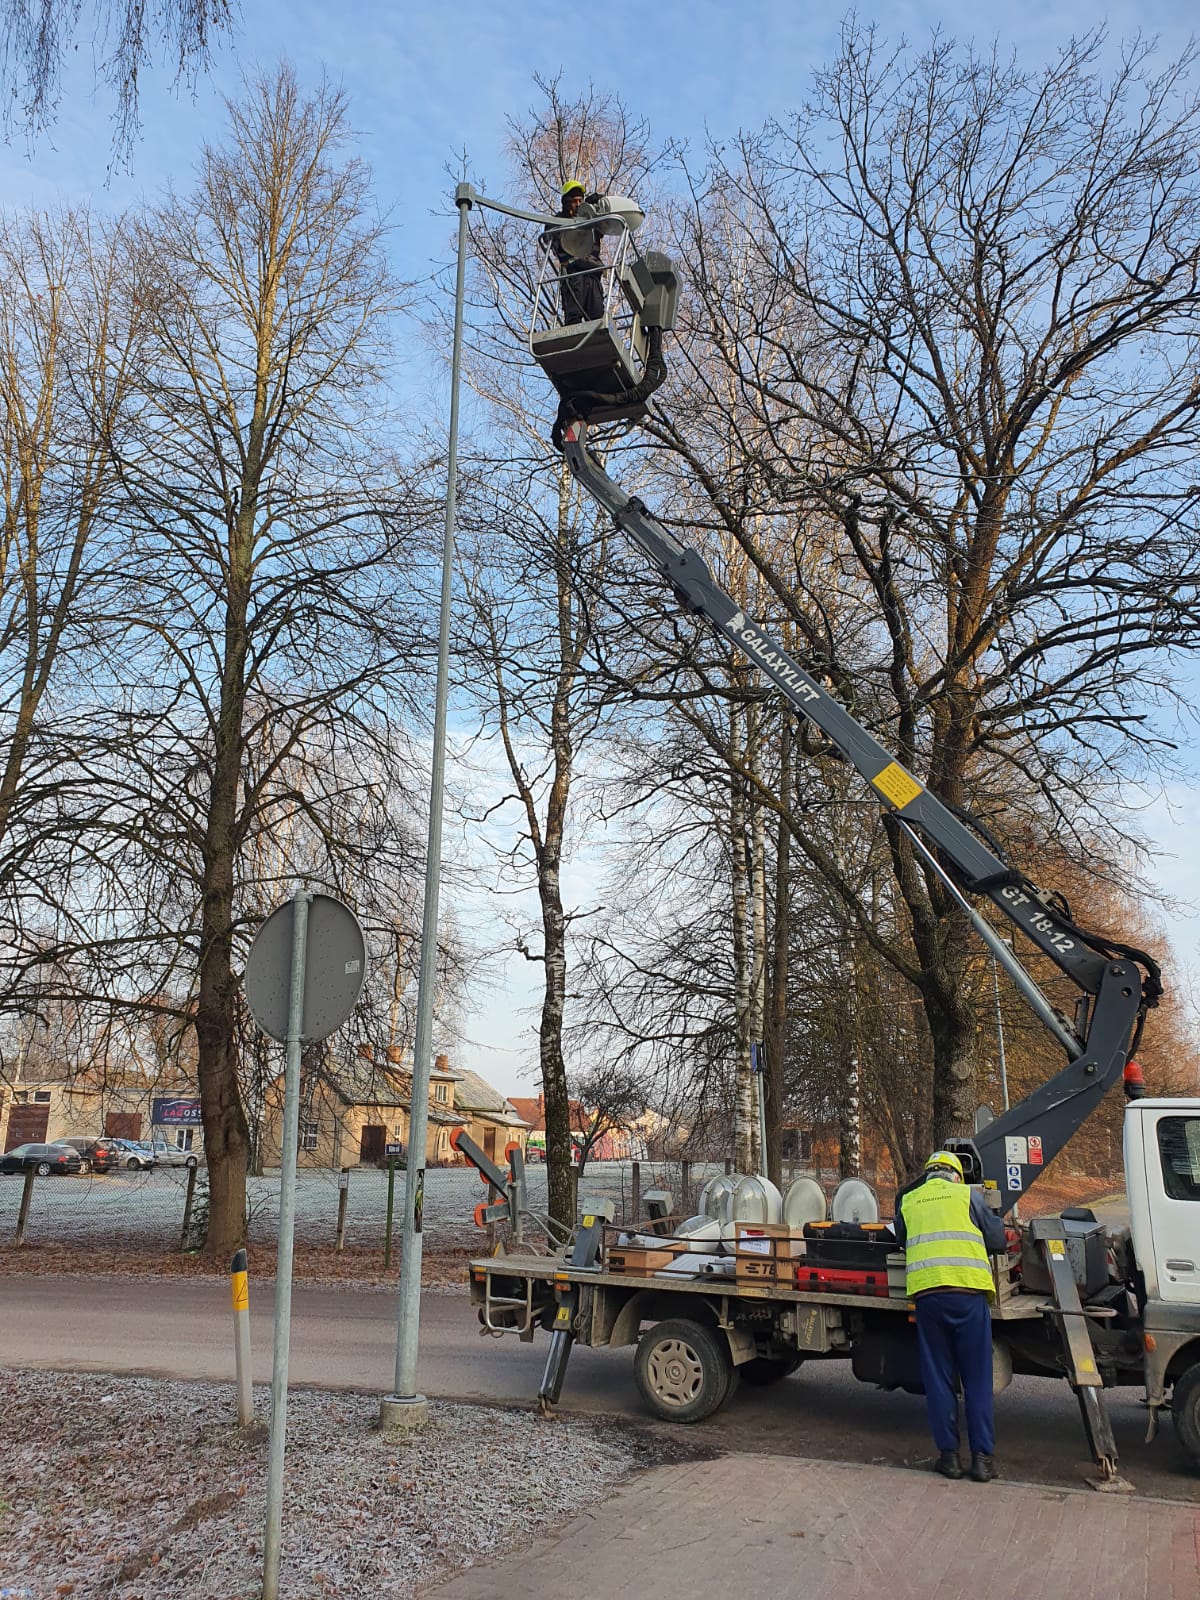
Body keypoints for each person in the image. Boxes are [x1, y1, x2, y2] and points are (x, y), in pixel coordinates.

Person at [893, 1149, 1008, 1483]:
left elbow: (902, 1240)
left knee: (939, 1379)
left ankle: (950, 1459)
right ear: (957, 1176)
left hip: (929, 1297)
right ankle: (983, 1461)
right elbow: (997, 1238)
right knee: (976, 1379)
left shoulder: (910, 1201)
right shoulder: (967, 1197)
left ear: (929, 1174)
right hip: (969, 1296)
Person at [542, 178, 612, 325]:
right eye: (575, 201)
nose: (578, 204)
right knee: (574, 316)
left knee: (597, 318)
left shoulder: (589, 220)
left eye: (581, 201)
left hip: (593, 274)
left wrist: (596, 203)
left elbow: (605, 224)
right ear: (567, 203)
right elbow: (548, 236)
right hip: (573, 274)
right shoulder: (559, 221)